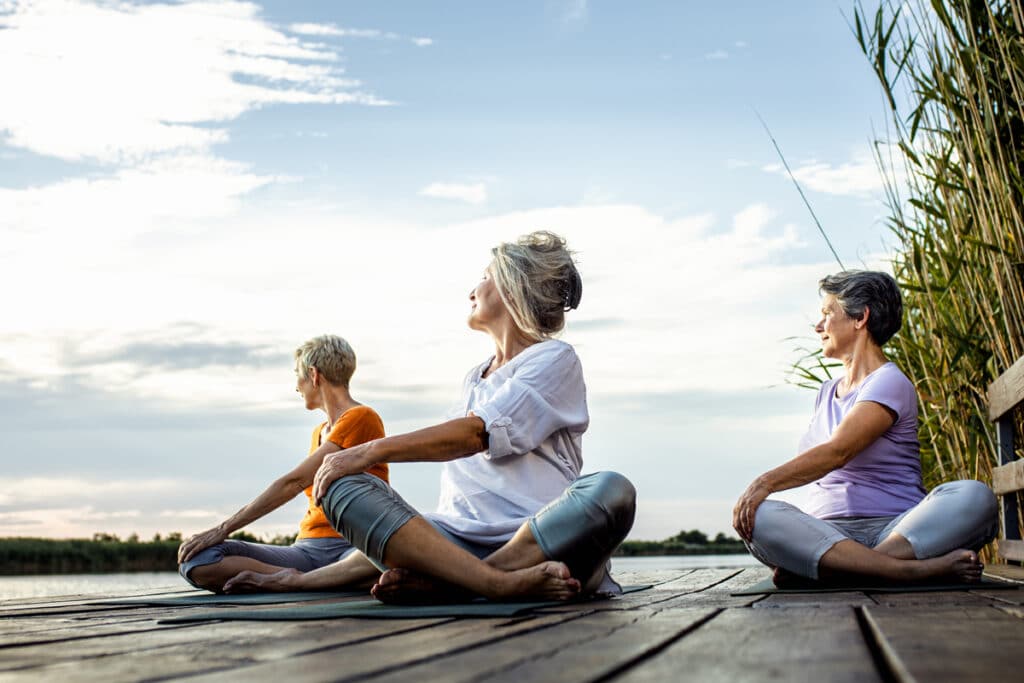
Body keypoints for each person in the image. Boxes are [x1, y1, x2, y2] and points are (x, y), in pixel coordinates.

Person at [224, 231, 636, 603]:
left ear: (513, 287)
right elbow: (394, 539)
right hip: (454, 544)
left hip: (547, 537)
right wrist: (294, 580)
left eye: (486, 277)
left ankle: (484, 580)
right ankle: (482, 579)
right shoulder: (473, 379)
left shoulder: (554, 358)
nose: (473, 289)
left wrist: (367, 451)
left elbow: (477, 433)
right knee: (339, 484)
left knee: (612, 490)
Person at [734, 271, 998, 585]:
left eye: (827, 314)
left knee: (975, 497)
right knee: (761, 517)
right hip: (829, 536)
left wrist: (763, 483)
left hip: (899, 530)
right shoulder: (825, 393)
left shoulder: (889, 381)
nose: (818, 327)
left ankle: (841, 570)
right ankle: (905, 571)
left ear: (861, 318)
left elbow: (839, 451)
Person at [177, 335, 387, 592]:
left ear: (313, 375)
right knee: (198, 560)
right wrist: (216, 538)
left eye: (297, 376)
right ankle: (308, 580)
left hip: (354, 550)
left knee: (384, 563)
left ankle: (304, 581)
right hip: (307, 551)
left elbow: (295, 481)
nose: (296, 387)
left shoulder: (361, 417)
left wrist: (223, 528)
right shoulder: (319, 432)